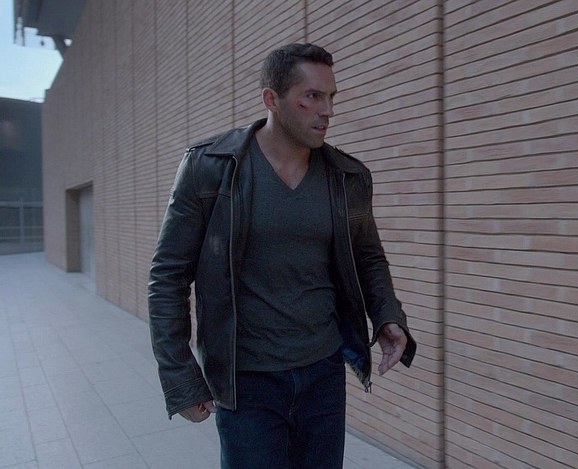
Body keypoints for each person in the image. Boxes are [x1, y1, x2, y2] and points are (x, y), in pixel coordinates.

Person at [148, 43, 417, 468]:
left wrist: (387, 315)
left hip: (323, 374)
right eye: (312, 96)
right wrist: (181, 377)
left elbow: (368, 258)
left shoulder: (346, 177)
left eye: (331, 97)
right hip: (247, 382)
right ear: (271, 99)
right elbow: (168, 276)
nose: (327, 111)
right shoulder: (210, 168)